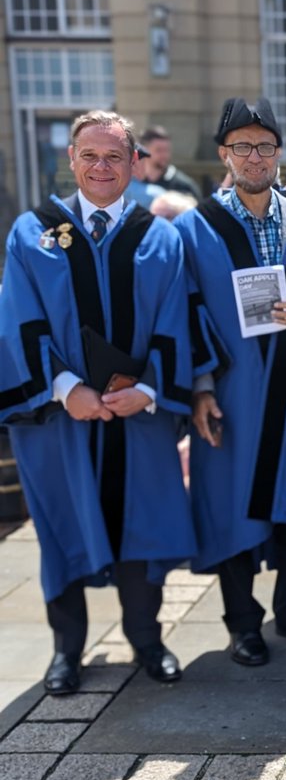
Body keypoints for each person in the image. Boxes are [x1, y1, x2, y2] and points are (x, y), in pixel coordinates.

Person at [0, 110, 195, 694]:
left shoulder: (160, 235)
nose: (102, 167)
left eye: (114, 156)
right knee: (62, 524)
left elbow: (176, 320)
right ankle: (67, 650)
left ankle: (146, 638)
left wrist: (151, 389)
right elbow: (18, 322)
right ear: (72, 161)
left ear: (135, 162)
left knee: (145, 521)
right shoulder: (31, 233)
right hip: (63, 419)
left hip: (139, 416)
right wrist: (66, 390)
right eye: (90, 156)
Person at [174, 97, 286, 666]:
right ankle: (242, 622)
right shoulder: (194, 227)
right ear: (224, 155)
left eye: (264, 146)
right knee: (233, 499)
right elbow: (183, 310)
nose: (254, 157)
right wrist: (200, 388)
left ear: (279, 153)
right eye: (241, 147)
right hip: (234, 387)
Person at [141, 125, 201, 200]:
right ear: (145, 150)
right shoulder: (134, 182)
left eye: (167, 150)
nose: (164, 155)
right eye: (158, 150)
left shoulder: (183, 186)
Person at [125, 144, 166, 209]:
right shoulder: (157, 195)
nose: (146, 169)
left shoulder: (109, 190)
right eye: (144, 164)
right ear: (135, 165)